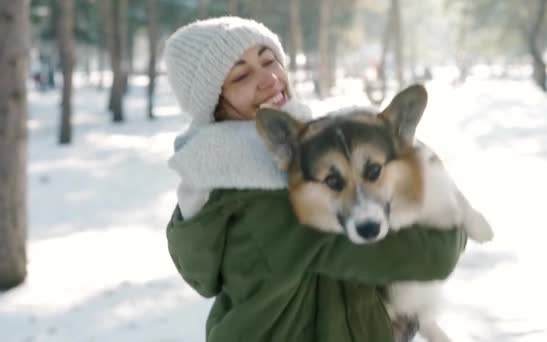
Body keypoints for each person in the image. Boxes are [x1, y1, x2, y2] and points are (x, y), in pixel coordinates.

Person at [163, 16, 466, 342]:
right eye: (241, 75)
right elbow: (430, 256)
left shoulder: (306, 151)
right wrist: (426, 177)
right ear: (213, 103)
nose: (268, 78)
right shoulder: (265, 196)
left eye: (269, 60)